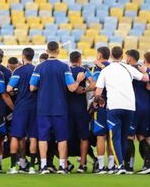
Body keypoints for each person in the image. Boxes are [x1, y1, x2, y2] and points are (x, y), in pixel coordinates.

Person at [29, 41, 86, 174]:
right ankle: (62, 166)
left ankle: (43, 166)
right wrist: (78, 80)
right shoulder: (64, 67)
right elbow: (72, 88)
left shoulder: (39, 67)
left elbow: (32, 87)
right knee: (61, 138)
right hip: (60, 107)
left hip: (43, 107)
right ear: (58, 51)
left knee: (43, 138)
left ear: (47, 50)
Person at [92, 46, 150, 175]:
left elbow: (98, 92)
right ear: (122, 56)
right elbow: (146, 79)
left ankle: (120, 166)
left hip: (114, 107)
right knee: (124, 137)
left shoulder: (105, 70)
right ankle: (121, 164)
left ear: (111, 56)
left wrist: (98, 101)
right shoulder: (128, 67)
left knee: (115, 137)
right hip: (130, 107)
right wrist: (145, 71)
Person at [6, 47, 38, 174]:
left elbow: (9, 89)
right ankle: (31, 167)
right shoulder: (37, 69)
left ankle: (14, 167)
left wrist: (16, 91)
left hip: (21, 106)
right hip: (35, 106)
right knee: (33, 136)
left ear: (23, 56)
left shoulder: (18, 71)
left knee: (16, 135)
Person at [125, 49, 150, 174]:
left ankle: (128, 166)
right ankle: (148, 164)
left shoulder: (126, 69)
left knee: (129, 137)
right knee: (142, 137)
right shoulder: (146, 69)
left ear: (129, 59)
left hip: (133, 107)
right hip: (146, 106)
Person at [68, 51, 93, 173]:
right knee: (84, 136)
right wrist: (84, 89)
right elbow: (94, 83)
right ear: (79, 60)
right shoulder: (83, 70)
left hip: (66, 109)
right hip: (80, 108)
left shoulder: (65, 70)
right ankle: (82, 164)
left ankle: (64, 163)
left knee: (64, 136)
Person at [90, 46, 111, 173]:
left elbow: (96, 84)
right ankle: (112, 165)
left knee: (101, 136)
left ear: (99, 55)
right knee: (112, 136)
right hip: (114, 104)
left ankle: (102, 166)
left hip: (101, 104)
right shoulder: (115, 67)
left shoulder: (97, 67)